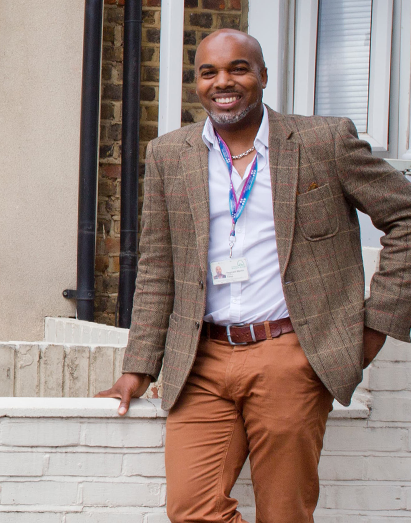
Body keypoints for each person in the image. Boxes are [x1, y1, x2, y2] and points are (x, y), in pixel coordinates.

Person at [97, 29, 411, 521]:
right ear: (197, 83)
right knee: (192, 509)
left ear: (262, 76)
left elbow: (406, 216)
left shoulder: (323, 141)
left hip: (290, 356)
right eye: (209, 72)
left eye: (238, 68)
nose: (224, 82)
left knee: (284, 514)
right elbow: (159, 265)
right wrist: (138, 365)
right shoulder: (169, 155)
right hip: (201, 361)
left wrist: (374, 325)